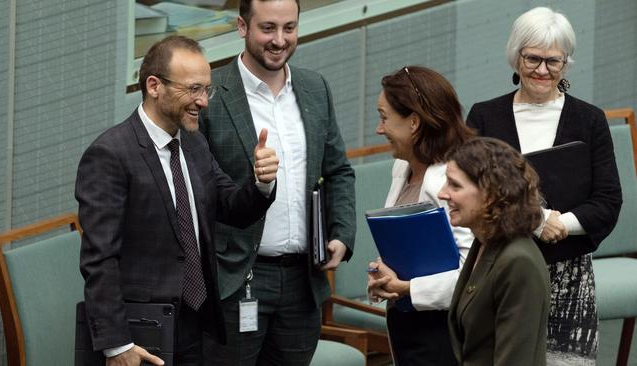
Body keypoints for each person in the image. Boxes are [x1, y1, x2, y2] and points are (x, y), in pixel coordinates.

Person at [76, 35, 278, 366]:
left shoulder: (194, 144)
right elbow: (99, 259)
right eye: (193, 89)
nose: (204, 101)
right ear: (154, 86)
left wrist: (262, 182)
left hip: (199, 324)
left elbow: (232, 207)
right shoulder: (110, 155)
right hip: (142, 332)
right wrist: (117, 344)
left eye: (206, 89)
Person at [198, 0, 356, 365]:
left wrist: (341, 235)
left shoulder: (315, 88)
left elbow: (338, 171)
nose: (280, 40)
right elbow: (197, 190)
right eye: (267, 28)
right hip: (236, 279)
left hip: (303, 280)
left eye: (289, 28)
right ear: (242, 27)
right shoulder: (211, 94)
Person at [465, 7, 622, 364]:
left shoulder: (590, 120)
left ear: (566, 64)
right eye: (533, 58)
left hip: (570, 276)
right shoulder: (484, 116)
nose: (542, 70)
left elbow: (609, 201)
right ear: (515, 56)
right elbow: (473, 195)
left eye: (554, 61)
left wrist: (557, 225)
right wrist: (535, 221)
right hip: (499, 268)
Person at [365, 66, 474, 366]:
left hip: (444, 337)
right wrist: (381, 277)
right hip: (406, 329)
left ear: (413, 122)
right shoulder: (402, 168)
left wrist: (408, 288)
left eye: (384, 117)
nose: (379, 129)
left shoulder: (449, 183)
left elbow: (472, 277)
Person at [439, 137, 551, 365]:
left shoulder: (518, 262)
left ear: (489, 195)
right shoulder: (484, 242)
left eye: (455, 185)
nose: (442, 193)